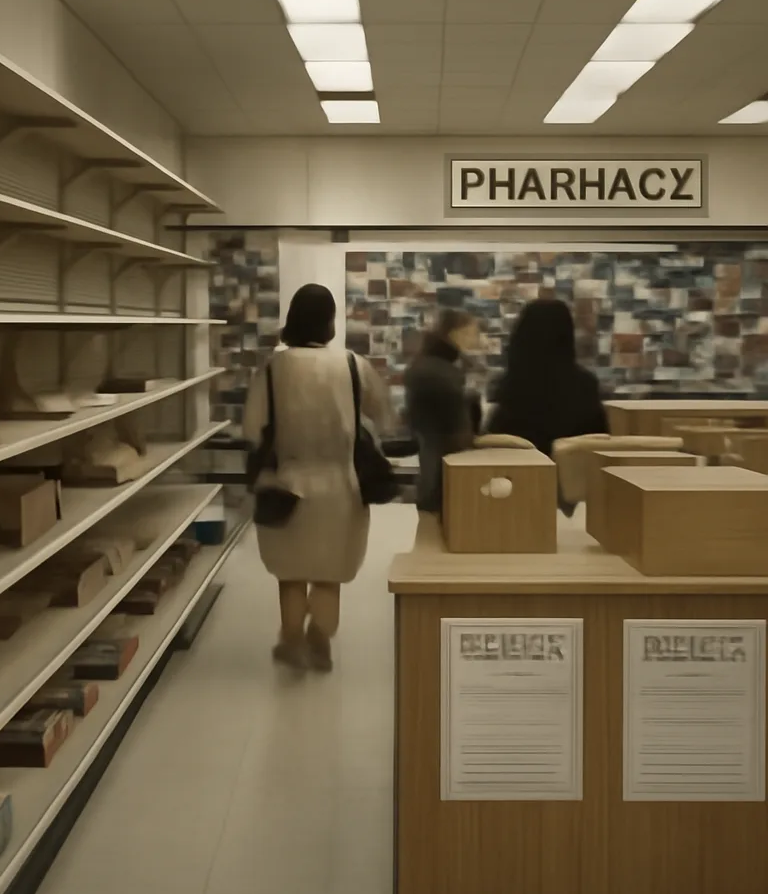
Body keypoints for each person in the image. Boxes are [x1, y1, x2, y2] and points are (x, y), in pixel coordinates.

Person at [242, 283, 389, 673]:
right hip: (342, 485)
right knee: (329, 571)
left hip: (286, 482)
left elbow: (253, 428)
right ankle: (320, 639)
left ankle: (292, 640)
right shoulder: (353, 365)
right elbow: (381, 413)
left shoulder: (273, 369)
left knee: (291, 571)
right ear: (330, 321)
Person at [485, 298, 608, 455]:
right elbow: (599, 441)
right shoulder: (586, 386)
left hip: (517, 467)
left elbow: (494, 441)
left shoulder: (508, 386)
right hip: (572, 469)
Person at [403, 309, 481, 515]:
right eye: (470, 332)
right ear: (453, 333)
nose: (475, 339)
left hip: (433, 465)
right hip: (442, 469)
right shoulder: (441, 370)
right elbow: (456, 427)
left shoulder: (431, 364)